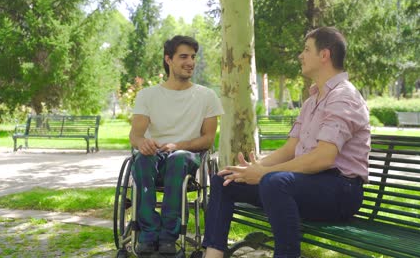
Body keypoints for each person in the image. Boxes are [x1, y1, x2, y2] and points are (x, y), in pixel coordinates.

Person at [202, 27, 370, 258]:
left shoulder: (344, 97)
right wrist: (253, 169)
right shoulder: (313, 101)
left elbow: (323, 158)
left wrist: (264, 173)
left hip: (341, 191)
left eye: (306, 49)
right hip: (306, 184)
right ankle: (212, 255)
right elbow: (290, 149)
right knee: (225, 180)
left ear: (324, 55)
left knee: (274, 181)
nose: (301, 55)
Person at [129, 35, 224, 256]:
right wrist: (144, 143)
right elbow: (135, 134)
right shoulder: (148, 95)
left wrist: (178, 145)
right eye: (183, 56)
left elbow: (208, 139)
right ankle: (148, 232)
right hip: (155, 157)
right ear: (168, 59)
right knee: (142, 158)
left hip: (186, 158)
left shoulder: (207, 96)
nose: (190, 61)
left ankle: (168, 236)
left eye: (192, 57)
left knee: (177, 157)